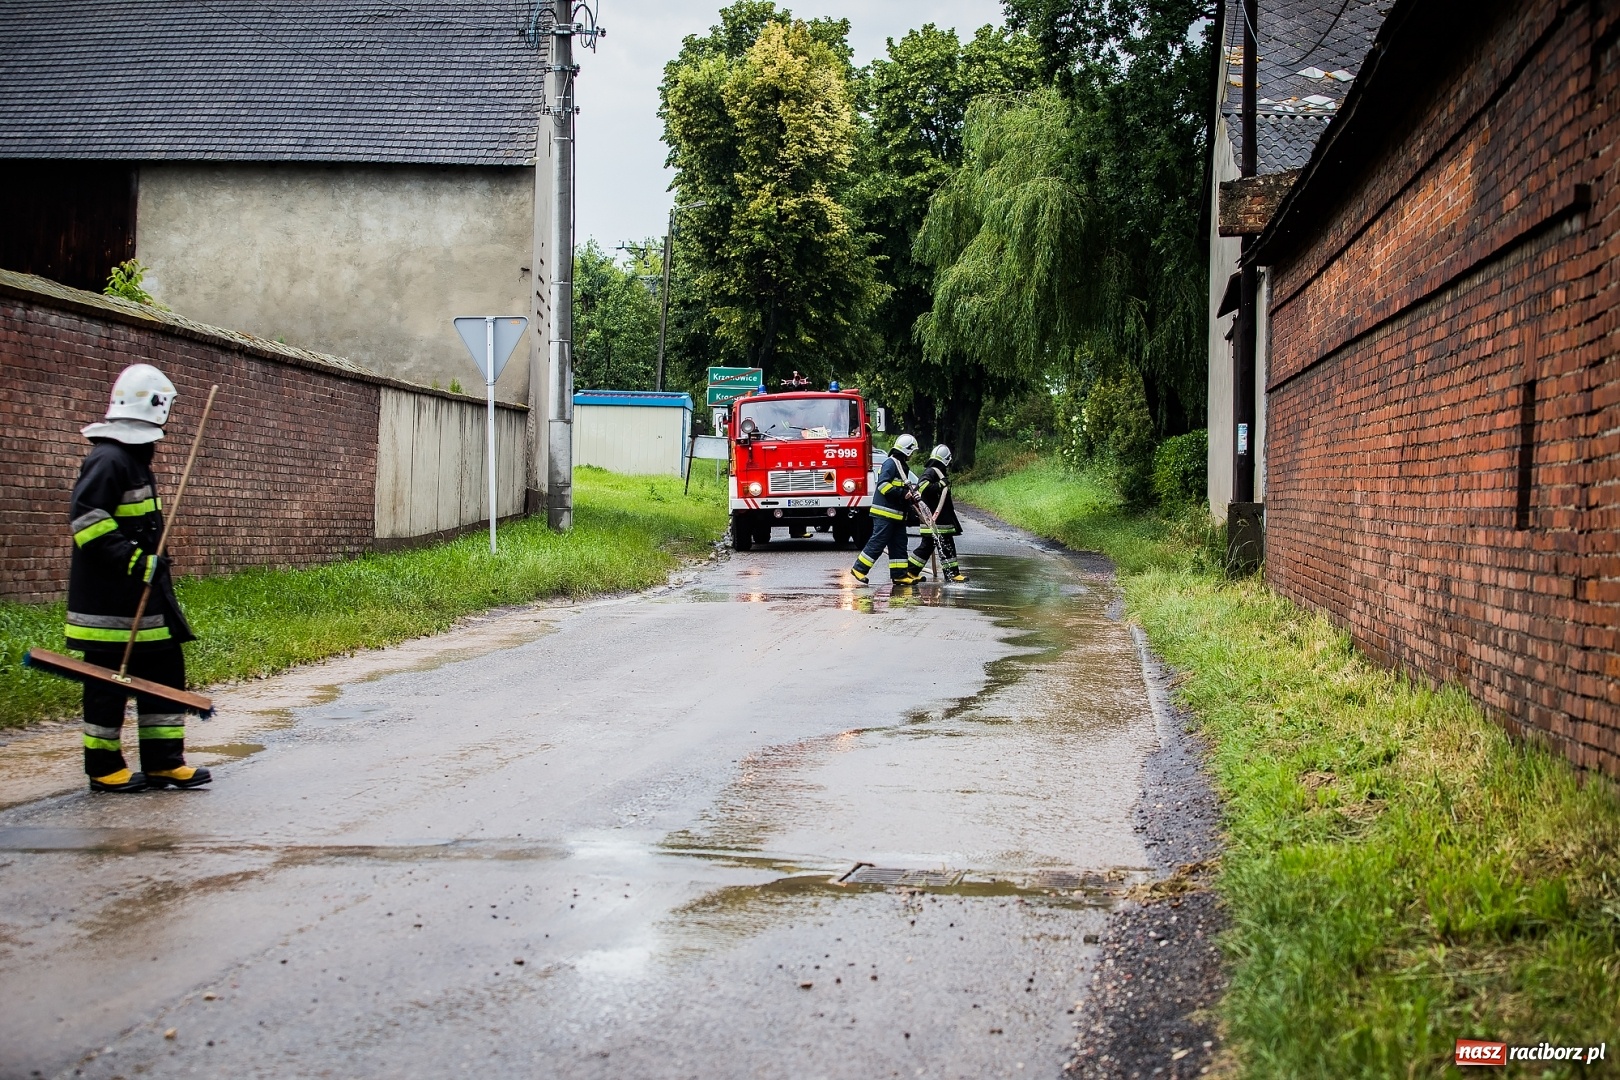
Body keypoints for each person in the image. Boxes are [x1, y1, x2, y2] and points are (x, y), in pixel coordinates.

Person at [69, 364, 210, 793]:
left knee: (165, 673)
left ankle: (165, 762)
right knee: (106, 686)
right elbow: (87, 521)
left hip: (145, 604)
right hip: (110, 607)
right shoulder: (108, 458)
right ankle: (103, 766)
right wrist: (134, 561)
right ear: (157, 408)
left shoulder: (132, 458)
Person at [852, 434, 921, 586]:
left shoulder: (900, 465)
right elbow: (883, 485)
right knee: (878, 542)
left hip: (896, 516)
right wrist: (903, 494)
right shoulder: (890, 463)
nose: (913, 455)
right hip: (884, 513)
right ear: (907, 451)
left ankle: (899, 575)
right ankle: (859, 569)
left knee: (899, 544)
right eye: (912, 451)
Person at [908, 444, 968, 583]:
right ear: (946, 459)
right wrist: (940, 485)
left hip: (940, 520)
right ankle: (911, 571)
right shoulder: (931, 471)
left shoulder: (937, 471)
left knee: (938, 546)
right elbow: (921, 487)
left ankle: (950, 574)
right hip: (935, 520)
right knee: (934, 546)